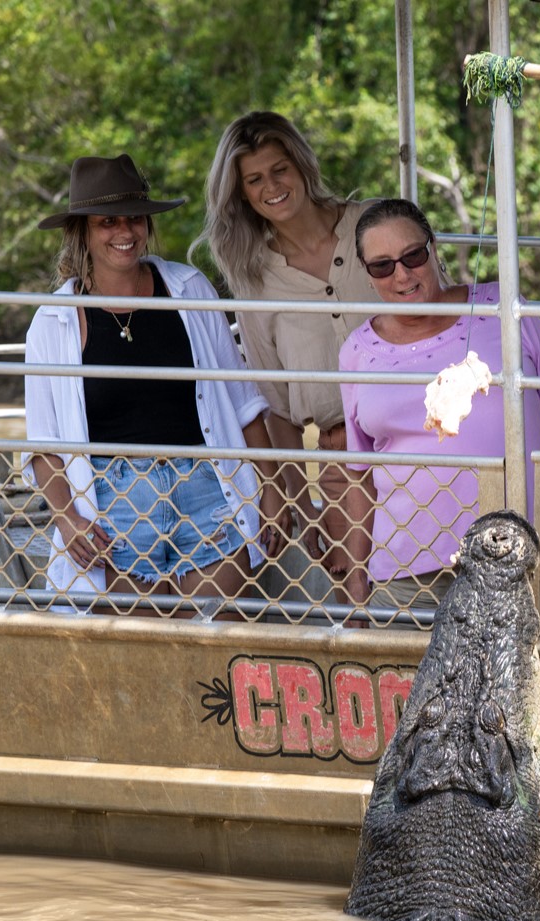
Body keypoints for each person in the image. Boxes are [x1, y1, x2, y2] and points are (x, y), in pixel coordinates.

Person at [24, 154, 286, 613]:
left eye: (135, 219)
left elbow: (243, 403)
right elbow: (44, 446)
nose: (125, 233)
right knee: (138, 652)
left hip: (208, 490)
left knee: (204, 645)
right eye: (108, 222)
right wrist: (67, 520)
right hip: (113, 503)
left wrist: (271, 487)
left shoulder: (189, 289)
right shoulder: (54, 321)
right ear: (82, 230)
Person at [335, 198, 540, 619]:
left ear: (433, 248)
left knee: (518, 686)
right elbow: (361, 474)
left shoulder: (505, 311)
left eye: (412, 256)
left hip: (512, 559)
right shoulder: (356, 353)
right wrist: (356, 570)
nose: (401, 275)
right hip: (403, 572)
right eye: (382, 266)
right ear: (367, 273)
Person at [192, 112, 382, 597]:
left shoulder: (374, 224)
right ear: (241, 194)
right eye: (254, 179)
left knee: (441, 597)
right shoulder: (253, 277)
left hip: (425, 446)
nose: (271, 186)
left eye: (279, 169)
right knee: (359, 608)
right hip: (342, 460)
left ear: (301, 165)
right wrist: (300, 500)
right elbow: (276, 405)